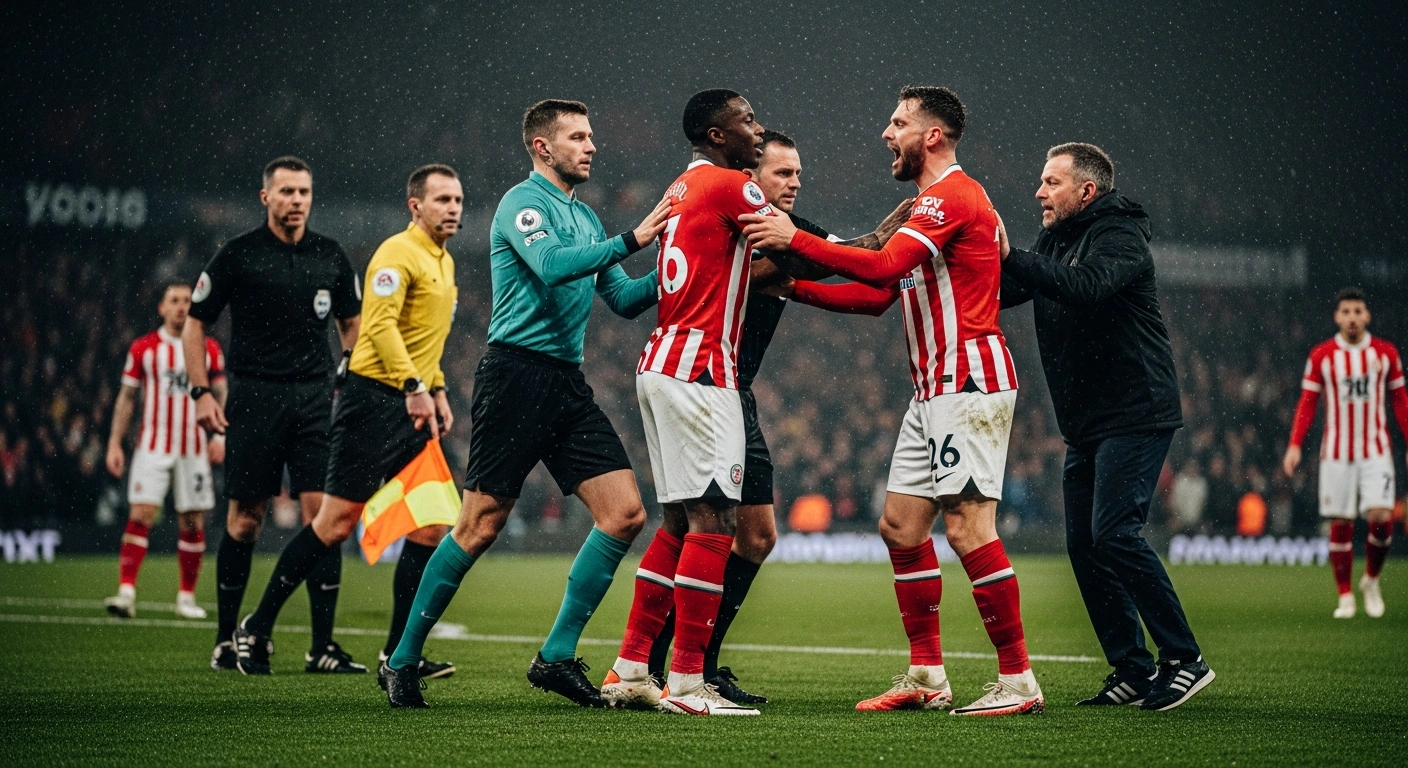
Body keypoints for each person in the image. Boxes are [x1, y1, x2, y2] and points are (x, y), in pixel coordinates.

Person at [744, 85, 1041, 716]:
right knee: (902, 527)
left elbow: (879, 270)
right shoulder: (927, 206)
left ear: (931, 136)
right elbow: (881, 296)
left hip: (967, 378)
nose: (887, 132)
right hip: (931, 388)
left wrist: (794, 239)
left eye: (899, 121)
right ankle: (927, 677)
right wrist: (794, 288)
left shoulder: (954, 197)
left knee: (967, 526)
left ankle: (1018, 680)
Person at [380, 100, 670, 709]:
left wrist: (684, 276)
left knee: (624, 514)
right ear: (543, 147)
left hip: (565, 382)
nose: (591, 147)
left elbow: (621, 298)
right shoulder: (522, 204)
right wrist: (635, 236)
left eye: (591, 136)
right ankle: (402, 659)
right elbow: (552, 267)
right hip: (513, 375)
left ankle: (556, 657)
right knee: (479, 524)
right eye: (578, 137)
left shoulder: (587, 218)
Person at [642, 129, 912, 704]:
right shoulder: (735, 231)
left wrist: (883, 240)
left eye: (798, 174)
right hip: (706, 387)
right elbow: (817, 263)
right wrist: (878, 245)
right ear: (750, 181)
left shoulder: (785, 235)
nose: (795, 184)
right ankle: (671, 663)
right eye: (783, 174)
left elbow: (844, 260)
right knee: (698, 527)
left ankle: (691, 659)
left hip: (737, 394)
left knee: (756, 536)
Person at [996, 142, 1213, 711]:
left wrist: (1009, 253)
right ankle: (1132, 668)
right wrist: (946, 267)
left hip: (1135, 411)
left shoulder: (1120, 235)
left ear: (1086, 191)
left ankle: (1184, 658)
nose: (1039, 193)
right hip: (1087, 421)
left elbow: (1086, 286)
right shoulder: (1055, 240)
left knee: (1115, 533)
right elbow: (1008, 288)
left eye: (1051, 183)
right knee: (1085, 545)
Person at [232, 164, 464, 678]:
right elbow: (377, 327)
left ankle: (397, 655)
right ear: (415, 205)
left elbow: (423, 338)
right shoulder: (396, 254)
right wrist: (414, 387)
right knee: (335, 524)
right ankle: (257, 624)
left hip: (413, 403)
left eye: (458, 200)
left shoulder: (443, 262)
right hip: (373, 402)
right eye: (442, 199)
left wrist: (438, 388)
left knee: (429, 527)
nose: (453, 208)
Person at [595, 88, 770, 718]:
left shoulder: (680, 188)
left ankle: (630, 667)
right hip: (700, 369)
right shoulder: (729, 186)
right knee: (713, 521)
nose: (758, 128)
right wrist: (879, 252)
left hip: (663, 361)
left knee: (677, 522)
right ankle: (691, 682)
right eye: (747, 120)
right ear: (717, 136)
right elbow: (788, 245)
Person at [185, 156, 363, 673]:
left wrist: (347, 374)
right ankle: (225, 639)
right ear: (266, 197)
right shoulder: (238, 255)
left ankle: (322, 647)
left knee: (323, 520)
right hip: (254, 398)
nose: (297, 200)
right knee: (245, 521)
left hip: (314, 400)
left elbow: (351, 325)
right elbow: (196, 324)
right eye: (286, 192)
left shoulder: (331, 255)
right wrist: (200, 391)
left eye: (304, 192)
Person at [103, 281, 226, 620]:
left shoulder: (209, 347)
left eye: (187, 300)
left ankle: (186, 597)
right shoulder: (144, 348)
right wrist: (115, 442)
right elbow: (127, 398)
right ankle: (126, 593)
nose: (182, 306)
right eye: (174, 300)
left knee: (192, 522)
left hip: (194, 447)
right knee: (140, 514)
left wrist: (219, 437)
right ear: (161, 307)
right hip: (153, 446)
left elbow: (220, 391)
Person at [1283, 287, 1408, 619]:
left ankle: (1371, 580)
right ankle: (1345, 595)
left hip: (1376, 449)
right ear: (1336, 317)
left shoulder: (1385, 353)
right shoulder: (1322, 355)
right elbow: (1307, 402)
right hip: (1336, 452)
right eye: (1346, 312)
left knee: (1382, 517)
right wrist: (1295, 444)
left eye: (1358, 311)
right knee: (1341, 522)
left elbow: (1400, 402)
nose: (1352, 317)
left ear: (1367, 315)